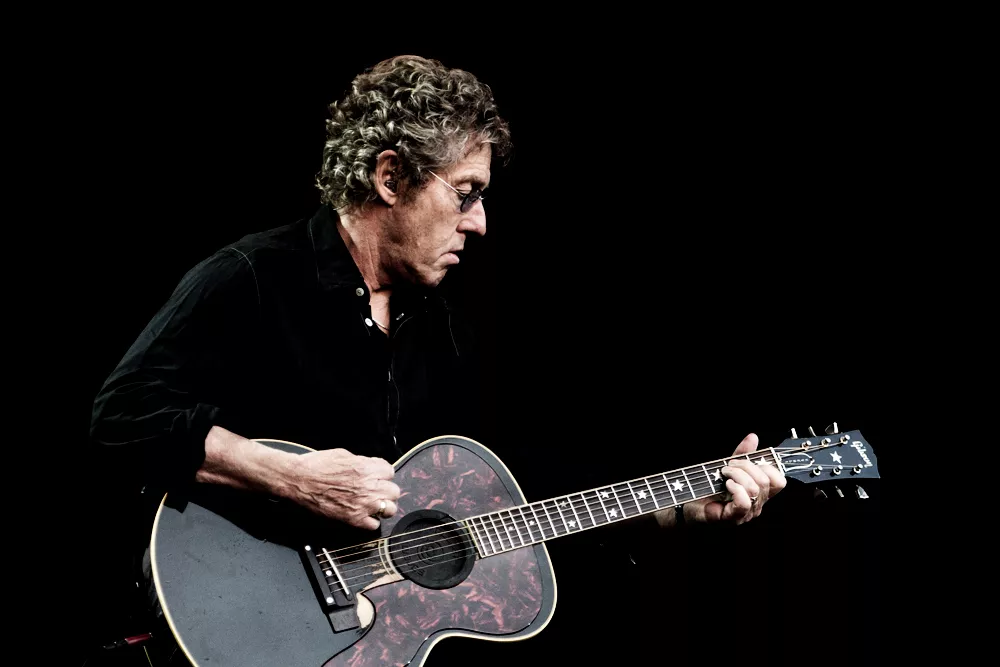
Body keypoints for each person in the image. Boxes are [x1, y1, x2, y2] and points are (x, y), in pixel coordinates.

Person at [90, 54, 785, 660]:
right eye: (465, 193)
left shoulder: (446, 330)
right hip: (226, 616)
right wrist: (294, 478)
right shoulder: (252, 277)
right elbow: (120, 417)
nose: (479, 222)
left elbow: (533, 497)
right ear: (391, 177)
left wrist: (679, 510)